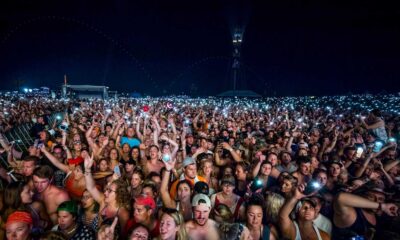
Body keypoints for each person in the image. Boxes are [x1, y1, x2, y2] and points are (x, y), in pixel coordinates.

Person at [84, 154, 130, 235]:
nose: (105, 192)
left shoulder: (122, 213)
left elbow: (123, 235)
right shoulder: (103, 201)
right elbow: (91, 188)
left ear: (119, 193)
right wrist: (87, 169)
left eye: (109, 191)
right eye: (106, 190)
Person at [333, 188, 399, 239]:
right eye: (371, 196)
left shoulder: (379, 219)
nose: (376, 201)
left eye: (380, 199)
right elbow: (340, 198)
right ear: (363, 197)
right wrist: (381, 206)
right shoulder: (353, 213)